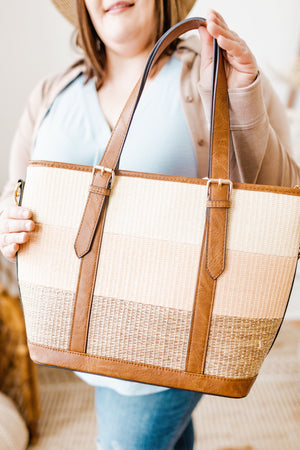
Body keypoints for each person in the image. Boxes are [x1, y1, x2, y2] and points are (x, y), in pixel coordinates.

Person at [0, 1, 299, 448]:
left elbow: (279, 201)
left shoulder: (217, 74)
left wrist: (241, 94)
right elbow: (16, 191)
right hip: (78, 335)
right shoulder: (51, 92)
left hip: (169, 340)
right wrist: (9, 225)